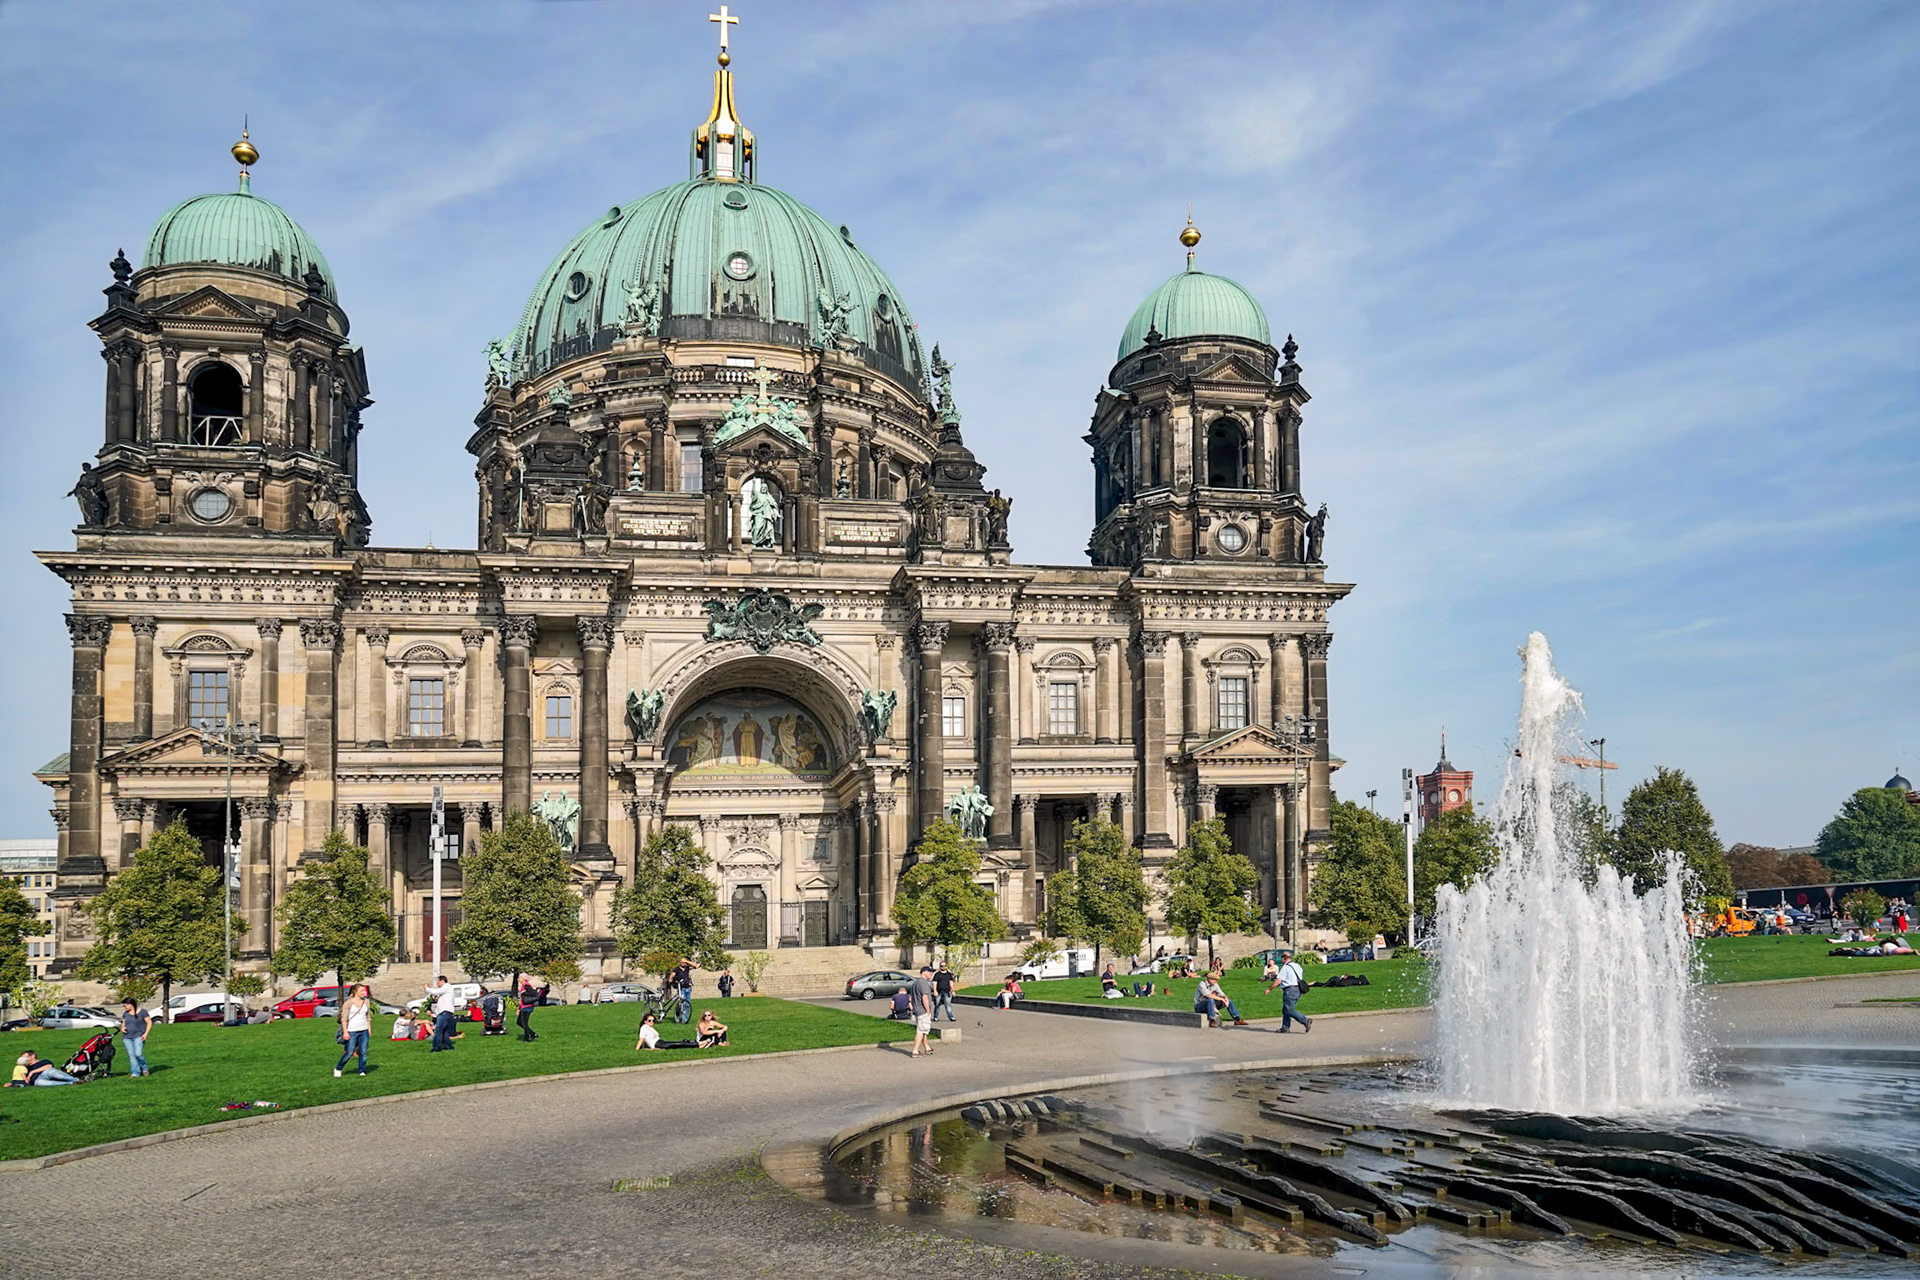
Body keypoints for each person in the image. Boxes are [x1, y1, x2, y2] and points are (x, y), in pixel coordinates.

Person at [334, 984, 372, 1077]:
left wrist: (369, 1029)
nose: (364, 992)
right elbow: (344, 1019)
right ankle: (338, 1068)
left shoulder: (366, 1002)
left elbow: (367, 1017)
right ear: (355, 991)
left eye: (364, 991)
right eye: (361, 991)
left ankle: (361, 1070)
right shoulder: (348, 1003)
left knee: (363, 1051)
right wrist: (345, 1032)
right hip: (352, 1030)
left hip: (364, 1030)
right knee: (349, 1052)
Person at [1276, 949, 1313, 1034]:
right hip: (1298, 989)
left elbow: (1278, 980)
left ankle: (1305, 1020)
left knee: (1289, 1010)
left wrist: (1269, 989)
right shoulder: (1297, 966)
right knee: (1286, 1009)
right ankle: (1285, 1027)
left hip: (1290, 990)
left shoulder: (1286, 967)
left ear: (1284, 958)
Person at [907, 965, 936, 1057]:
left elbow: (911, 997)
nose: (931, 973)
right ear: (923, 972)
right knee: (921, 1030)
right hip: (922, 1010)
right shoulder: (923, 983)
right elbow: (925, 998)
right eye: (929, 971)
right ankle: (915, 1051)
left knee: (923, 1030)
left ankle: (927, 1048)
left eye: (932, 971)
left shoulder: (915, 983)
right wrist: (928, 1011)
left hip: (917, 1010)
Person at [119, 996, 152, 1078]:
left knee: (138, 1054)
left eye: (125, 1005)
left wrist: (145, 1034)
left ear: (131, 1004)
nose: (124, 1007)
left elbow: (149, 1022)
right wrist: (122, 1028)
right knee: (132, 1055)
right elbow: (123, 1023)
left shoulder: (143, 1012)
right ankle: (135, 1073)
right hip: (127, 1037)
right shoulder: (125, 1014)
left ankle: (144, 1068)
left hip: (138, 1036)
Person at [426, 975, 458, 1052]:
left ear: (442, 981)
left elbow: (435, 991)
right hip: (445, 1012)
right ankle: (448, 1046)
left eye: (438, 982)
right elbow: (438, 996)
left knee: (438, 1030)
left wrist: (427, 988)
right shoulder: (446, 989)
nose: (437, 984)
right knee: (444, 1032)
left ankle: (436, 1048)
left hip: (445, 1012)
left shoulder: (447, 987)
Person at [14, 1052, 80, 1086]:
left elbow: (49, 1066)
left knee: (52, 1073)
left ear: (33, 1056)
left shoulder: (43, 1061)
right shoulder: (24, 1068)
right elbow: (20, 1077)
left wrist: (32, 1072)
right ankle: (71, 1083)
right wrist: (13, 1083)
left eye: (25, 1057)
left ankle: (76, 1079)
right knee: (41, 1083)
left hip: (46, 1072)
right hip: (37, 1079)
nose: (24, 1060)